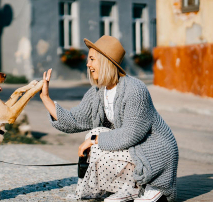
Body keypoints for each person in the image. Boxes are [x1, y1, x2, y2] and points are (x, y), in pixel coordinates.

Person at [40, 35, 179, 202]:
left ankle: (145, 187)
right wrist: (46, 98)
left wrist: (93, 140)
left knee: (96, 138)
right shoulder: (98, 92)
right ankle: (126, 188)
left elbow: (131, 134)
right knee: (96, 134)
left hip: (154, 151)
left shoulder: (135, 90)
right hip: (132, 148)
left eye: (92, 59)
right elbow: (74, 120)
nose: (88, 64)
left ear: (105, 61)